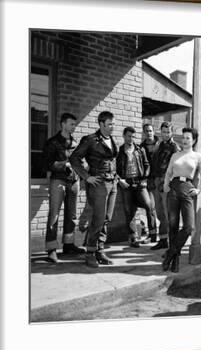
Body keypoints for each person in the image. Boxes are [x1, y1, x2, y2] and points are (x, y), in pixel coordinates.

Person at [70, 111, 119, 268]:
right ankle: (90, 252)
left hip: (112, 183)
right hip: (99, 184)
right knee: (98, 219)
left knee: (106, 218)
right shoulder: (90, 140)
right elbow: (74, 158)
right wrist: (86, 176)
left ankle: (100, 250)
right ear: (101, 124)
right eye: (110, 124)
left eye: (113, 123)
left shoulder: (112, 139)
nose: (113, 126)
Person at [162, 127, 201, 273]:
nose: (185, 140)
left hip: (187, 189)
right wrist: (165, 185)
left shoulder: (197, 156)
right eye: (184, 137)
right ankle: (174, 261)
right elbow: (168, 173)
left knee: (188, 226)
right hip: (173, 189)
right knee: (173, 225)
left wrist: (198, 189)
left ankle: (170, 253)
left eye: (188, 138)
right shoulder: (175, 155)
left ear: (193, 140)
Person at [42, 113, 85, 263]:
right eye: (71, 124)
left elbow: (80, 161)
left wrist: (83, 166)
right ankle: (51, 250)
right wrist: (63, 164)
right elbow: (46, 164)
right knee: (54, 215)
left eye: (75, 124)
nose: (74, 127)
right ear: (63, 124)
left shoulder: (75, 143)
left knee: (72, 215)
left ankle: (68, 245)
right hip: (58, 181)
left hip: (73, 182)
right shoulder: (52, 142)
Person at [116, 126, 157, 248]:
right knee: (129, 211)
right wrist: (120, 180)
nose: (131, 139)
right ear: (124, 136)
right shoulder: (119, 151)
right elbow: (115, 168)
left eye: (133, 136)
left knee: (149, 206)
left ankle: (153, 234)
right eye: (129, 136)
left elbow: (147, 165)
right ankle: (133, 238)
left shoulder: (140, 149)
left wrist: (144, 179)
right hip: (126, 184)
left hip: (140, 183)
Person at [150, 122, 180, 251]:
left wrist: (167, 182)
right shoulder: (159, 145)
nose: (166, 134)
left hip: (166, 181)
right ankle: (163, 239)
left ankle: (173, 241)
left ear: (171, 133)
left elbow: (176, 167)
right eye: (163, 132)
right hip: (157, 180)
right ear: (160, 132)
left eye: (168, 132)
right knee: (159, 211)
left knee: (169, 213)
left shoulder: (175, 148)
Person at [139, 123, 159, 242]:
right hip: (148, 180)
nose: (149, 133)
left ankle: (165, 235)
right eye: (146, 131)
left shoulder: (160, 145)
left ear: (154, 131)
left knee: (163, 209)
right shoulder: (141, 147)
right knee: (150, 207)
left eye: (150, 130)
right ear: (144, 133)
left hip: (160, 179)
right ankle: (152, 235)